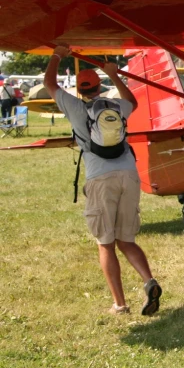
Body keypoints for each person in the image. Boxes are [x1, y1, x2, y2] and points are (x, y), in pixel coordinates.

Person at [44, 47, 162, 315]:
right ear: (99, 86)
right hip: (129, 173)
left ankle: (120, 304)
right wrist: (115, 75)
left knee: (105, 242)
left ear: (79, 89)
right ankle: (149, 281)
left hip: (100, 176)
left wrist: (56, 56)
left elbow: (49, 83)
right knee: (127, 239)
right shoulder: (117, 106)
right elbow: (133, 101)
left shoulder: (74, 106)